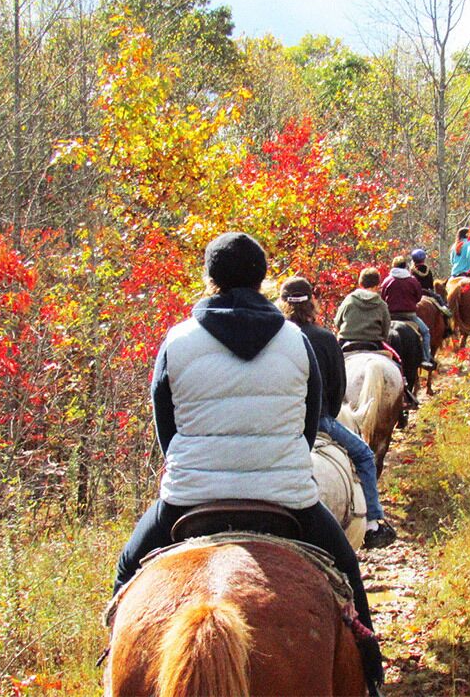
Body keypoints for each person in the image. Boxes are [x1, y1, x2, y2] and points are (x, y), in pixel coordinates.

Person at [112, 232, 385, 696]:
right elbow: (307, 424)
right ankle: (373, 673)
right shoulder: (296, 341)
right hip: (288, 500)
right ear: (262, 280)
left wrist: (196, 468)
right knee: (348, 575)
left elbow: (167, 430)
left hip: (188, 500)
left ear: (209, 278)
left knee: (124, 575)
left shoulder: (176, 340)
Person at [278, 277, 397, 550]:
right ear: (311, 304)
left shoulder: (272, 339)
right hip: (318, 422)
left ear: (282, 304)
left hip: (277, 422)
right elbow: (337, 389)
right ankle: (374, 524)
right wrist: (326, 414)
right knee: (366, 457)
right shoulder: (322, 338)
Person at [381, 256, 435, 370]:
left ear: (393, 266)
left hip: (390, 316)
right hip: (409, 316)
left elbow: (382, 297)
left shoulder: (387, 280)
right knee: (425, 333)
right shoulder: (412, 280)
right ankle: (426, 358)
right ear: (405, 266)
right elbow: (419, 297)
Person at [335, 267, 391, 351]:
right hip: (374, 342)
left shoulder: (349, 299)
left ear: (360, 284)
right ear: (377, 286)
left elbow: (337, 322)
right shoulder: (381, 304)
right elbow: (386, 328)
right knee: (394, 361)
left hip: (346, 340)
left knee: (330, 361)